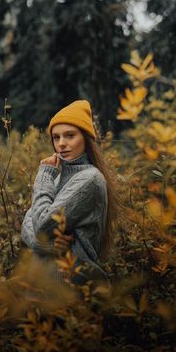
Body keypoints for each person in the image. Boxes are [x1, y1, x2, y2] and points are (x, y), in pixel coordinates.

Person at [21, 100, 121, 286]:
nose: (61, 144)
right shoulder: (57, 178)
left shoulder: (89, 180)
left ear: (85, 138)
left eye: (69, 135)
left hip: (70, 290)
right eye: (56, 137)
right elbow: (28, 221)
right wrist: (45, 246)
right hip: (39, 291)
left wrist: (43, 175)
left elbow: (41, 224)